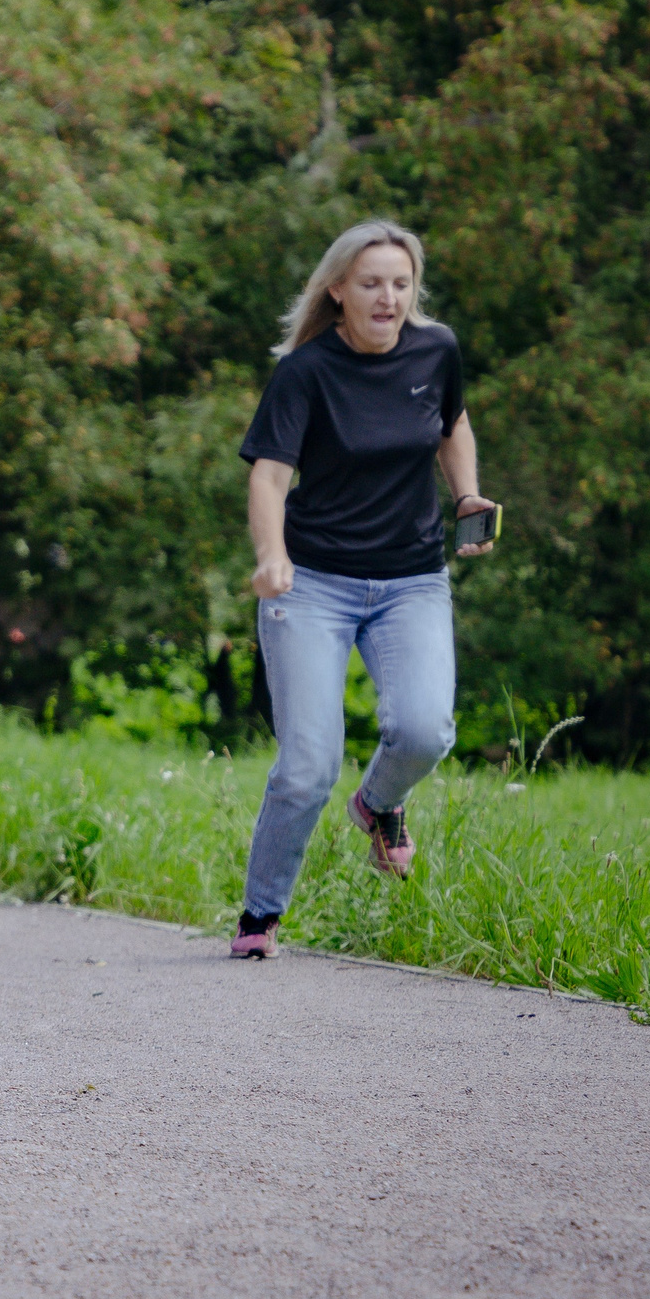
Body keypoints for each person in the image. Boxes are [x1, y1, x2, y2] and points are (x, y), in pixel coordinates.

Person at [232, 219, 497, 959]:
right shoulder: (305, 373)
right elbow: (270, 475)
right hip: (312, 583)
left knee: (423, 729)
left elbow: (453, 423)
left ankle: (378, 804)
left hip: (412, 578)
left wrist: (468, 493)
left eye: (401, 284)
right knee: (307, 764)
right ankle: (260, 917)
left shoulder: (435, 348)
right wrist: (271, 555)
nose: (388, 298)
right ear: (339, 290)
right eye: (372, 283)